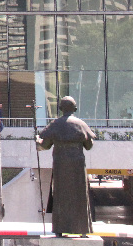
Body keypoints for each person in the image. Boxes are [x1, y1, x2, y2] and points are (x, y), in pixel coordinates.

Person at [36, 96, 96, 236]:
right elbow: (89, 146)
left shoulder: (55, 124)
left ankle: (59, 230)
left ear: (61, 109)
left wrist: (37, 141)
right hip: (77, 166)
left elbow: (44, 145)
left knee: (60, 195)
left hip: (61, 165)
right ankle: (83, 230)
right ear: (75, 109)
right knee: (80, 196)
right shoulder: (81, 124)